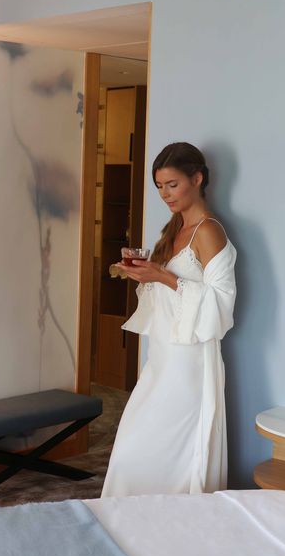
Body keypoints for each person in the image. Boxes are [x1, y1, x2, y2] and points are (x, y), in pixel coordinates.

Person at [101, 142, 236, 496]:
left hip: (188, 361)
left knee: (162, 451)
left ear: (197, 178)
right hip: (161, 354)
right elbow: (171, 293)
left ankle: (175, 518)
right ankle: (131, 519)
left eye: (172, 185)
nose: (164, 194)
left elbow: (222, 303)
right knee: (133, 447)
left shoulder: (209, 231)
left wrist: (161, 275)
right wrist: (143, 274)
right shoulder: (173, 230)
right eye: (160, 186)